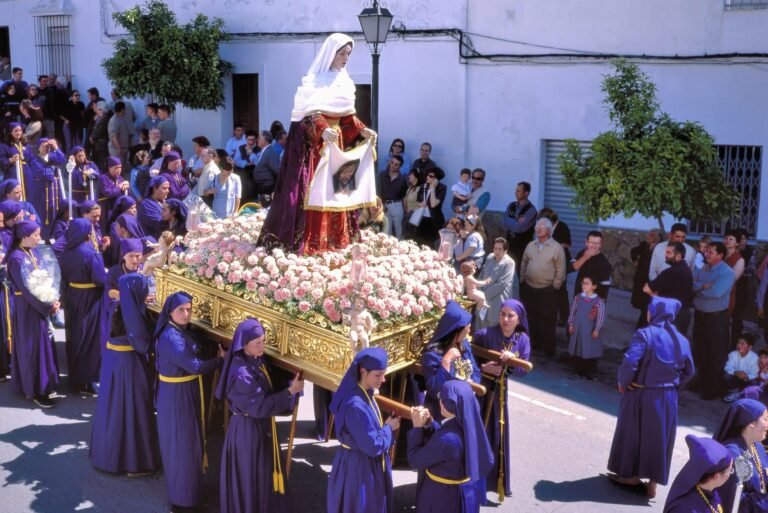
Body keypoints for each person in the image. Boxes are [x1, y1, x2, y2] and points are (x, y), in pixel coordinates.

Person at [258, 33, 376, 254]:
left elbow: (347, 117)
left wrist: (362, 129)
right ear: (331, 53)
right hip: (317, 151)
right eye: (342, 53)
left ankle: (337, 239)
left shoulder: (345, 82)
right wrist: (322, 130)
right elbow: (307, 117)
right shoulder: (312, 83)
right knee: (317, 192)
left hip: (338, 145)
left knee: (338, 191)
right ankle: (313, 242)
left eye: (348, 54)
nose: (345, 58)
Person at [607, 297, 695, 498]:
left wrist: (623, 381)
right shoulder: (681, 340)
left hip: (641, 392)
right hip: (668, 397)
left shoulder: (645, 334)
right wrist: (672, 387)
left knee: (633, 433)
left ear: (655, 311)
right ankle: (653, 484)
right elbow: (689, 371)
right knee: (659, 438)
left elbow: (630, 362)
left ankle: (631, 476)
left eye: (649, 309)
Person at [216, 318, 304, 513]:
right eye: (258, 343)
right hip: (248, 430)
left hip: (260, 427)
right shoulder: (242, 374)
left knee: (262, 474)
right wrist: (290, 392)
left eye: (264, 340)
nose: (263, 346)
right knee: (251, 475)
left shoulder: (255, 359)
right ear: (244, 344)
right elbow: (261, 406)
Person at [155, 291, 224, 511]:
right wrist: (220, 361)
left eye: (189, 309)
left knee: (190, 443)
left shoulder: (180, 330)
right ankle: (182, 501)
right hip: (177, 396)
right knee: (182, 446)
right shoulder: (171, 338)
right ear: (170, 312)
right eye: (181, 310)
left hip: (184, 390)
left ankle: (191, 492)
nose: (186, 314)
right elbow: (195, 366)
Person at [90, 271, 158, 475]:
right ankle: (133, 462)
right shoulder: (132, 313)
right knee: (132, 409)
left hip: (113, 361)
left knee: (113, 409)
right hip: (129, 365)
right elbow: (143, 344)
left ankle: (106, 455)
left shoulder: (117, 306)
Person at [327, 347, 399, 513]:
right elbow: (372, 445)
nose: (383, 379)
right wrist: (389, 428)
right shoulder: (355, 405)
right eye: (378, 375)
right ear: (363, 371)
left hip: (361, 461)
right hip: (358, 467)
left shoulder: (364, 391)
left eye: (384, 373)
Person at [473, 299, 531, 500]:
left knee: (496, 435)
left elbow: (524, 369)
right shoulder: (485, 334)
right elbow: (467, 356)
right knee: (478, 432)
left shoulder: (522, 339)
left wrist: (511, 363)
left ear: (519, 319)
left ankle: (492, 483)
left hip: (500, 394)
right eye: (502, 314)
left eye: (510, 316)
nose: (505, 319)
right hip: (481, 390)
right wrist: (482, 367)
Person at [407, 380, 494, 513]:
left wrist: (417, 428)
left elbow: (415, 461)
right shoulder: (470, 425)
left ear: (446, 405)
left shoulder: (447, 440)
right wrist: (430, 423)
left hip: (441, 497)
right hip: (464, 493)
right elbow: (446, 442)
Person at [6, 220, 60, 408]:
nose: (39, 238)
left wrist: (53, 297)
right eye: (36, 234)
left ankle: (44, 383)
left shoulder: (33, 252)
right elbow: (26, 289)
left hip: (38, 305)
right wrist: (47, 306)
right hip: (28, 308)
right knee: (32, 348)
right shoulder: (16, 258)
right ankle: (35, 389)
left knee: (42, 344)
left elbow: (45, 277)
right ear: (24, 237)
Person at [59, 218, 108, 396]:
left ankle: (75, 376)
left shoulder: (65, 252)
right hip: (90, 299)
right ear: (87, 233)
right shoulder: (90, 253)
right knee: (90, 338)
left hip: (73, 295)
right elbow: (100, 280)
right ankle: (86, 380)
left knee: (75, 336)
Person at [420, 300, 481, 421]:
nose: (469, 331)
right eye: (467, 328)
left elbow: (476, 371)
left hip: (466, 404)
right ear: (456, 330)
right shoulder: (432, 354)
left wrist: (470, 387)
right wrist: (446, 362)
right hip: (442, 412)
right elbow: (434, 389)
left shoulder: (464, 345)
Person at [692, 242, 736, 400]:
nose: (706, 254)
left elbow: (716, 292)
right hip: (700, 315)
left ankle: (714, 388)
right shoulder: (702, 269)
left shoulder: (727, 273)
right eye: (706, 251)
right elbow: (690, 284)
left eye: (710, 252)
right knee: (700, 350)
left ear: (720, 255)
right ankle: (701, 382)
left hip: (716, 318)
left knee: (716, 353)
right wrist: (703, 286)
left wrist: (699, 289)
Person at [519, 218, 565, 357]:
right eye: (537, 226)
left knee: (548, 320)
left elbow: (561, 269)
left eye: (542, 227)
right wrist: (522, 279)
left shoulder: (557, 248)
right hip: (530, 288)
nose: (537, 229)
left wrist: (555, 285)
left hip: (547, 290)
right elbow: (524, 263)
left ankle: (549, 350)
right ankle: (535, 345)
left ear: (549, 231)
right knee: (532, 318)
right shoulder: (531, 245)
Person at [714, 398, 768, 512]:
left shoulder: (757, 446)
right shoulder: (734, 455)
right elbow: (735, 503)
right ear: (751, 423)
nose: (767, 425)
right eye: (765, 419)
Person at [662, 435, 733, 513]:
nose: (731, 473)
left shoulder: (711, 492)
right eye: (730, 470)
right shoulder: (684, 509)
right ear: (716, 476)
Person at [644, 241, 694, 335]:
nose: (665, 255)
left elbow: (647, 289)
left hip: (670, 315)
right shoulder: (687, 270)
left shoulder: (669, 272)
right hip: (683, 314)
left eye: (669, 253)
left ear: (678, 256)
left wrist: (654, 294)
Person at [567, 275, 606, 380]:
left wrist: (596, 329)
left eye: (587, 283)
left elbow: (600, 317)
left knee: (589, 350)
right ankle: (577, 369)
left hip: (589, 330)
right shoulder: (578, 298)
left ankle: (587, 372)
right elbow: (573, 312)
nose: (584, 285)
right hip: (578, 329)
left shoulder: (598, 302)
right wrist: (571, 324)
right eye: (583, 283)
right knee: (578, 348)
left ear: (594, 286)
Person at [28, 137, 66, 238]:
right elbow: (42, 173)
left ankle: (53, 235)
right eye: (43, 146)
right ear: (39, 148)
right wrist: (52, 170)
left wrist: (56, 146)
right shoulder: (35, 160)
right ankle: (42, 235)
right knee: (42, 212)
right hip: (42, 191)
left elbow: (62, 159)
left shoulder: (52, 157)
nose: (46, 148)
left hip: (54, 191)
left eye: (48, 146)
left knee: (54, 211)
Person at [476, 238, 516, 330]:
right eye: (495, 248)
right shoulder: (490, 257)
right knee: (480, 325)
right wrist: (478, 292)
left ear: (505, 251)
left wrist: (482, 295)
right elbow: (481, 276)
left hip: (496, 301)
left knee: (493, 328)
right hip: (482, 299)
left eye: (500, 249)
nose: (497, 251)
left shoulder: (509, 263)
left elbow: (501, 284)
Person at [502, 181, 537, 268]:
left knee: (518, 269)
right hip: (509, 243)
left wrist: (510, 221)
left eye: (518, 191)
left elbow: (518, 228)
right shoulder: (511, 205)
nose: (515, 193)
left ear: (526, 193)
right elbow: (503, 223)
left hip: (522, 247)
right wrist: (516, 221)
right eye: (516, 190)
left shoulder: (531, 210)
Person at [572, 231, 612, 300]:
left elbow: (605, 287)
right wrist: (584, 257)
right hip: (578, 296)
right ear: (586, 242)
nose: (594, 246)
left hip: (592, 301)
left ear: (601, 244)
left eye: (597, 243)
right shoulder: (582, 253)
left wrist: (600, 303)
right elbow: (571, 268)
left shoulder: (604, 263)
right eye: (591, 243)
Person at [414, 167, 447, 248]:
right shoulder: (423, 186)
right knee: (419, 242)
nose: (428, 177)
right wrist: (421, 204)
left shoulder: (442, 188)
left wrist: (432, 189)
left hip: (434, 220)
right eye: (427, 175)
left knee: (432, 243)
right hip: (422, 218)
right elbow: (417, 202)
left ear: (436, 179)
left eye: (431, 176)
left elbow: (433, 204)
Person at [377, 155, 407, 239]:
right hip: (385, 205)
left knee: (399, 230)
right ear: (389, 162)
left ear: (400, 166)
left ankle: (402, 249)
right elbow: (380, 191)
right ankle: (388, 250)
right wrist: (381, 205)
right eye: (392, 162)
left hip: (397, 205)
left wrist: (405, 211)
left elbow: (404, 197)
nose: (393, 165)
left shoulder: (402, 179)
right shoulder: (382, 175)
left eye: (396, 164)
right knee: (387, 230)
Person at [98, 156, 129, 233]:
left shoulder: (119, 178)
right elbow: (108, 193)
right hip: (106, 207)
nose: (118, 170)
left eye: (120, 167)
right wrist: (120, 186)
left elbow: (125, 189)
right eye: (116, 168)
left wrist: (127, 186)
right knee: (106, 228)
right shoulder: (103, 178)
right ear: (109, 168)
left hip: (116, 206)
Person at [723, 333, 759, 398]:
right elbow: (728, 367)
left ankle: (747, 392)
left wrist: (746, 376)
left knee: (755, 381)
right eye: (738, 342)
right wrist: (736, 372)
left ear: (750, 347)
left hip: (747, 380)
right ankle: (735, 391)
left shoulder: (754, 357)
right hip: (736, 378)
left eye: (742, 343)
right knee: (726, 374)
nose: (739, 345)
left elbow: (755, 372)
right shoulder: (732, 354)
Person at [402, 169, 423, 240]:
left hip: (415, 218)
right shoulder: (410, 188)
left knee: (412, 238)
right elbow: (405, 200)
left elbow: (421, 203)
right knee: (406, 237)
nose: (409, 176)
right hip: (408, 217)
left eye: (411, 174)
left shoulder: (420, 189)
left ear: (416, 177)